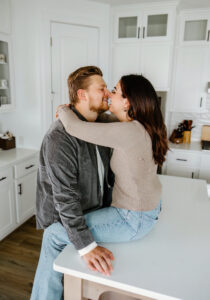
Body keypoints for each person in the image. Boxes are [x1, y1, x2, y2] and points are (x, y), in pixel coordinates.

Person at [31, 66, 115, 300]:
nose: (107, 93)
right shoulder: (59, 137)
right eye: (101, 88)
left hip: (89, 212)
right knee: (53, 276)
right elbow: (65, 198)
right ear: (82, 95)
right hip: (63, 220)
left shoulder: (100, 124)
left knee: (72, 276)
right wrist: (86, 246)